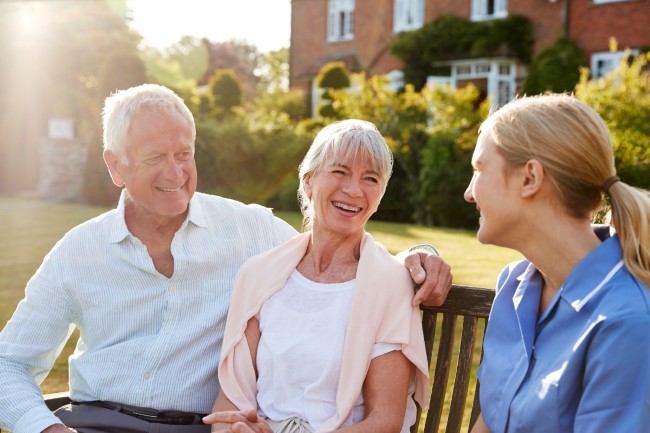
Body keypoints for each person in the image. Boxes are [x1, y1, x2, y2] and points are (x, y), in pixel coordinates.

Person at [0, 84, 451, 433]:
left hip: (196, 429)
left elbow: (334, 247)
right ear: (115, 165)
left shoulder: (249, 231)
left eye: (184, 154)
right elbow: (9, 363)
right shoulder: (78, 251)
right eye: (155, 157)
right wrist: (46, 427)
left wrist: (420, 254)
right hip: (96, 422)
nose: (176, 173)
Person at [202, 119, 429, 433]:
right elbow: (229, 404)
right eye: (340, 172)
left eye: (370, 178)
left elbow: (384, 422)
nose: (354, 190)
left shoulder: (389, 284)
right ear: (308, 182)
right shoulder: (260, 275)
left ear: (380, 195)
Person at [464, 94, 650, 433]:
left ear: (530, 178)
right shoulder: (513, 285)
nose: (469, 192)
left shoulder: (628, 321)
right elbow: (490, 421)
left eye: (478, 170)